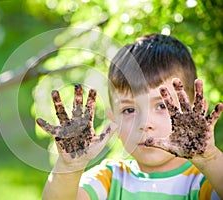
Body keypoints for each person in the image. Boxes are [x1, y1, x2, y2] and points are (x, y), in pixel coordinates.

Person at [36, 33, 223, 199]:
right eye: (129, 110)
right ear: (113, 120)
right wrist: (68, 167)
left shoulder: (204, 181)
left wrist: (210, 159)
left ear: (194, 111)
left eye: (161, 105)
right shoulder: (110, 179)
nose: (144, 123)